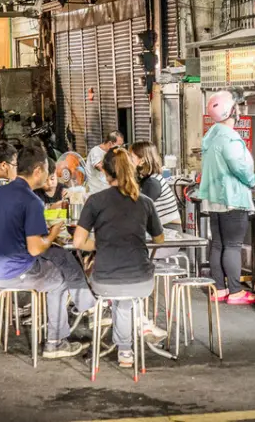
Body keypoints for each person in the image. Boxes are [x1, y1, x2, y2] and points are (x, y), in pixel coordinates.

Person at [0, 144, 97, 359]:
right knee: (59, 279)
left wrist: (49, 232)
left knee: (61, 256)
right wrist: (53, 234)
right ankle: (56, 342)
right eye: (46, 170)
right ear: (37, 171)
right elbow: (35, 248)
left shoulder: (1, 191)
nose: (50, 175)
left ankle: (88, 305)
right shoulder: (30, 199)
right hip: (12, 271)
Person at [73, 146, 165, 367]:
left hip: (105, 280)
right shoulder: (145, 201)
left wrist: (101, 243)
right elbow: (159, 239)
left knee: (119, 293)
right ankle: (132, 339)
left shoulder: (95, 201)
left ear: (105, 172)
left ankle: (125, 344)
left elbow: (78, 242)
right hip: (141, 281)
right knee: (127, 296)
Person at [199, 91, 255, 306]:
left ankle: (219, 289)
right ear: (231, 111)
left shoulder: (211, 136)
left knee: (218, 243)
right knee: (233, 245)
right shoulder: (229, 138)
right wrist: (253, 180)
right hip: (232, 198)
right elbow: (239, 167)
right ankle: (235, 291)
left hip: (214, 198)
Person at [130, 141, 182, 258]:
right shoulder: (146, 180)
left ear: (142, 160)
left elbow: (138, 212)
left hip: (167, 236)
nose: (128, 161)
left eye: (131, 157)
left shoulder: (152, 183)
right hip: (157, 234)